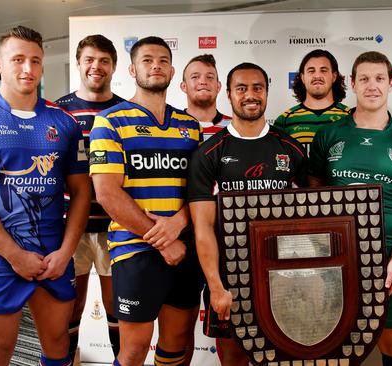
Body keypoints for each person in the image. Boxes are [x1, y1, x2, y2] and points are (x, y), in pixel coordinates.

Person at [0, 26, 91, 366]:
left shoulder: (65, 122)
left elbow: (80, 193)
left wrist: (65, 253)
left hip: (54, 258)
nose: (28, 69)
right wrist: (16, 255)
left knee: (59, 346)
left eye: (35, 60)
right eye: (18, 60)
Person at [309, 51, 392, 366]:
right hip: (337, 257)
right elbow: (310, 196)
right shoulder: (329, 135)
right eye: (364, 78)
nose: (372, 85)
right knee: (334, 343)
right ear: (351, 83)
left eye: (380, 78)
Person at [89, 36, 203, 366]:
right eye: (148, 60)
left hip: (184, 246)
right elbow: (107, 193)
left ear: (172, 70)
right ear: (132, 69)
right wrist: (161, 240)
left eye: (164, 60)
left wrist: (179, 224)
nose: (156, 65)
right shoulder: (109, 121)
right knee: (135, 349)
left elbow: (198, 190)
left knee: (176, 344)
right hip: (135, 249)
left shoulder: (189, 126)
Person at [188, 62, 307, 366]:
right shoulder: (209, 152)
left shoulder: (290, 148)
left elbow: (314, 216)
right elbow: (203, 228)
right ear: (228, 94)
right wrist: (216, 286)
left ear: (267, 92)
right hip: (230, 277)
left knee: (285, 355)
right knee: (234, 358)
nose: (250, 95)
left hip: (283, 276)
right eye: (241, 88)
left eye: (258, 88)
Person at [54, 34, 124, 362]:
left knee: (116, 307)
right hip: (71, 228)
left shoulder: (126, 112)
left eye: (104, 61)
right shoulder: (58, 111)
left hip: (116, 226)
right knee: (72, 305)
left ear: (114, 66)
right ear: (80, 63)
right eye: (89, 60)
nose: (96, 67)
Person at [275, 49, 350, 154]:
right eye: (311, 71)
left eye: (323, 70)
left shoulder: (350, 117)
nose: (317, 76)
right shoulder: (285, 121)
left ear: (334, 76)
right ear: (302, 77)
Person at [180, 54, 231, 141]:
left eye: (210, 77)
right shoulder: (171, 125)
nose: (203, 82)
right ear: (184, 86)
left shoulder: (235, 127)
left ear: (218, 86)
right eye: (195, 77)